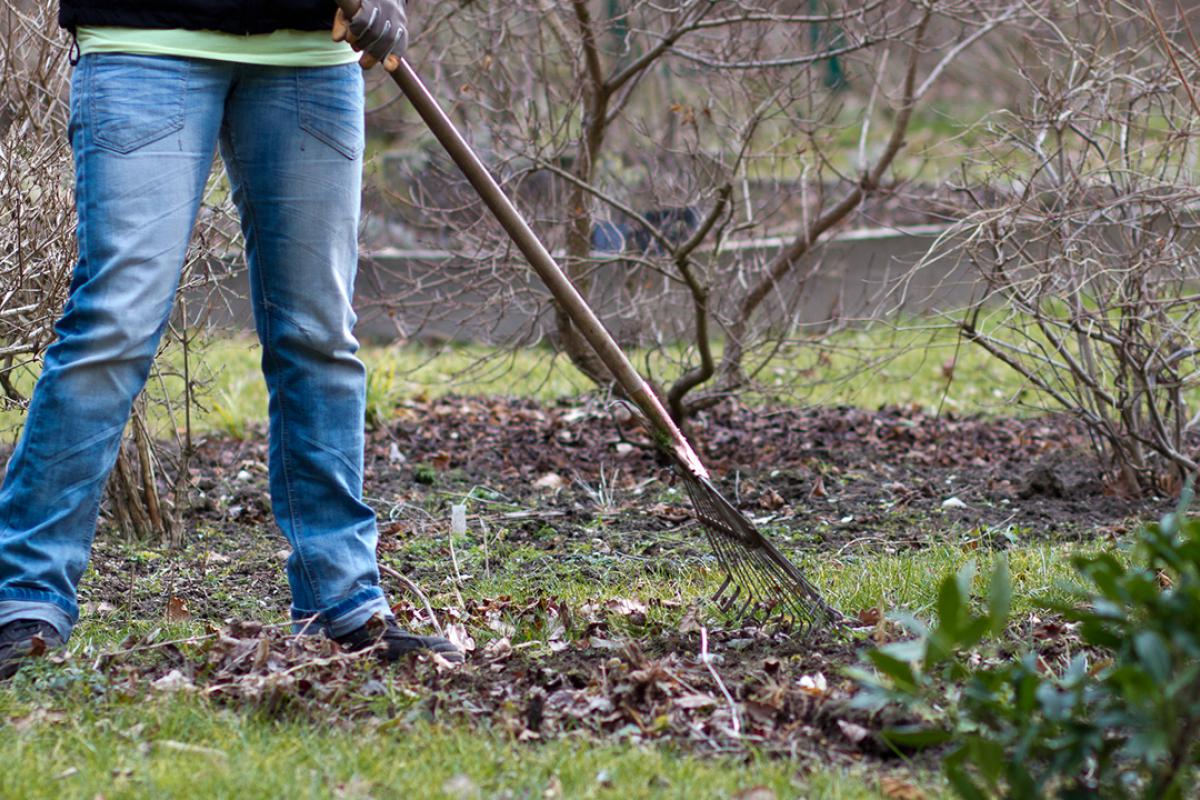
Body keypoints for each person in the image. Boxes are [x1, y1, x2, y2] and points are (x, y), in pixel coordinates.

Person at [0, 0, 463, 678]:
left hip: (310, 52)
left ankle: (343, 597)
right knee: (114, 328)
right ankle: (26, 599)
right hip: (145, 37)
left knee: (318, 336)